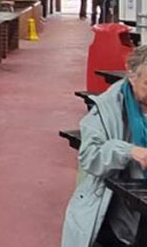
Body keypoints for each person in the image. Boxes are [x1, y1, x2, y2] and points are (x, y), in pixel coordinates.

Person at [61, 47, 147, 247]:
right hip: (115, 208)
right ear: (132, 77)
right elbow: (90, 155)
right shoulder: (107, 107)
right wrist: (129, 151)